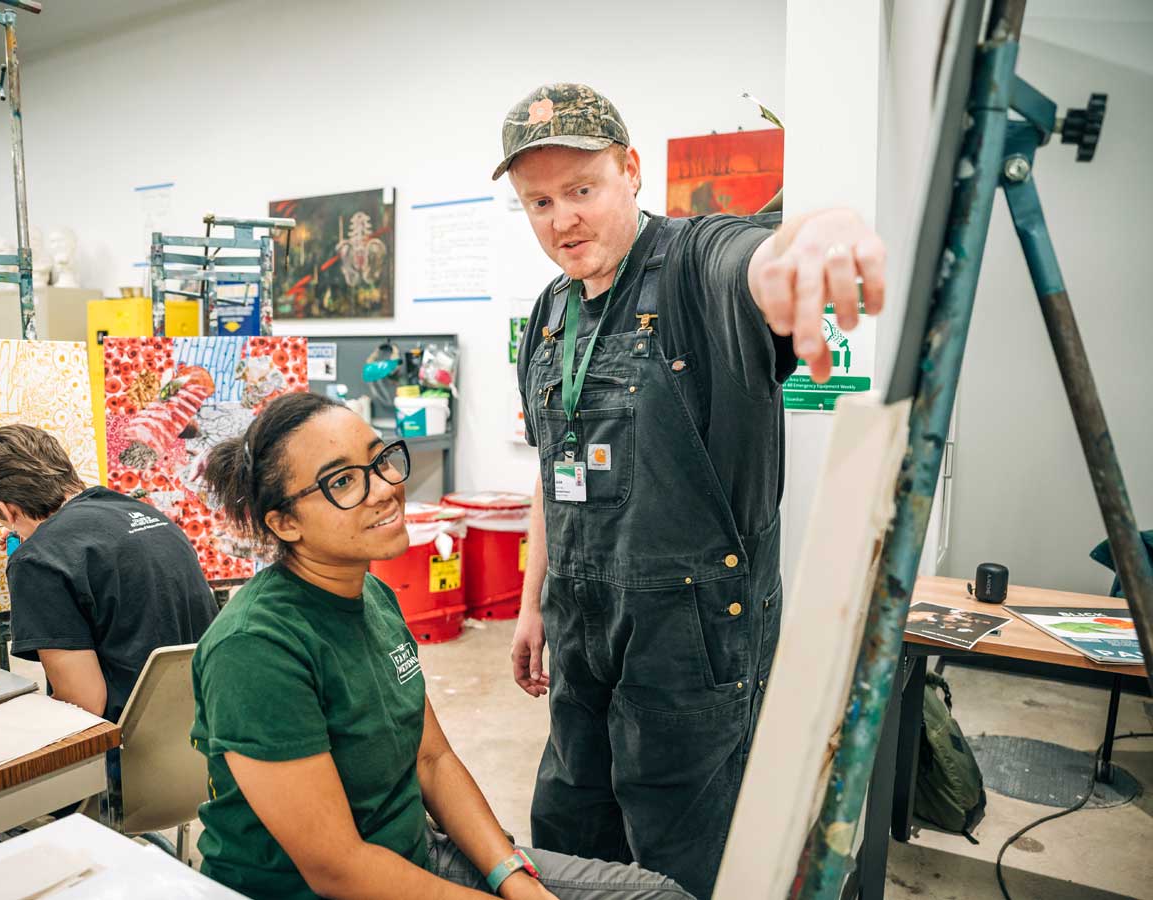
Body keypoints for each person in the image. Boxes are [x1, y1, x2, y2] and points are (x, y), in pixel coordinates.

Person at [501, 83, 887, 899]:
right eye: (539, 202)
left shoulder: (695, 266)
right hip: (579, 626)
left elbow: (758, 256)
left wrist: (819, 234)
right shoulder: (548, 313)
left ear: (632, 170)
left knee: (687, 856)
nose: (563, 219)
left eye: (582, 189)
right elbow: (550, 468)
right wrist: (533, 601)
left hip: (691, 642)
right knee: (572, 836)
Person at [190, 391, 692, 900]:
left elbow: (432, 760)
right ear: (284, 523)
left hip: (416, 856)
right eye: (342, 481)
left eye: (380, 460)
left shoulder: (372, 595)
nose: (385, 488)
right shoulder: (255, 648)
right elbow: (338, 867)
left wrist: (513, 878)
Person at [0, 424, 218, 722]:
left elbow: (84, 703)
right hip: (209, 720)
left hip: (128, 740)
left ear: (4, 508)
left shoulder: (37, 559)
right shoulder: (145, 513)